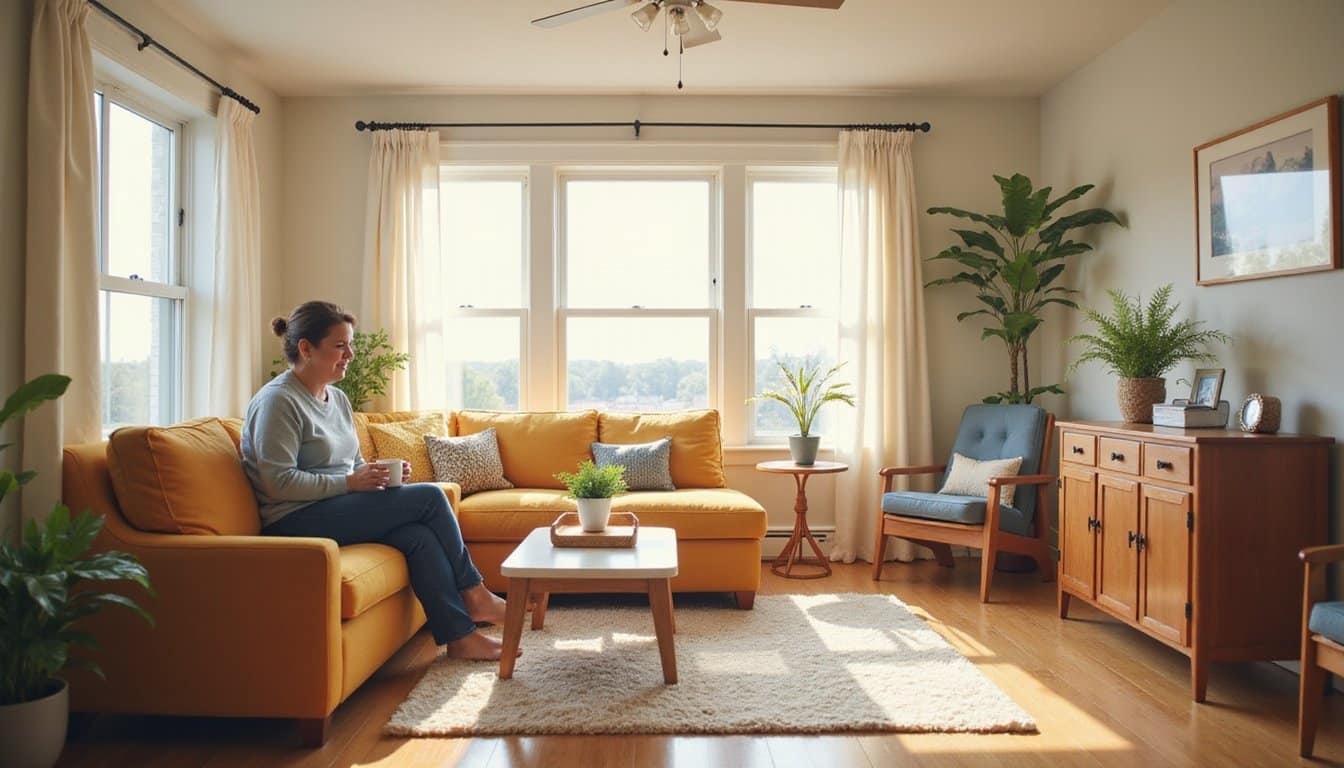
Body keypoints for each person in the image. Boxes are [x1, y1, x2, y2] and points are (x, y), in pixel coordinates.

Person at [240, 300, 513, 661]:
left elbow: (351, 462)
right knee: (431, 497)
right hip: (294, 519)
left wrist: (379, 475)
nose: (350, 354)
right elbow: (277, 482)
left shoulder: (336, 398)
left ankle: (460, 638)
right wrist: (350, 484)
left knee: (418, 538)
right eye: (340, 346)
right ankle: (475, 593)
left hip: (334, 507)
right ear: (305, 348)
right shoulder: (278, 402)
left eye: (350, 344)